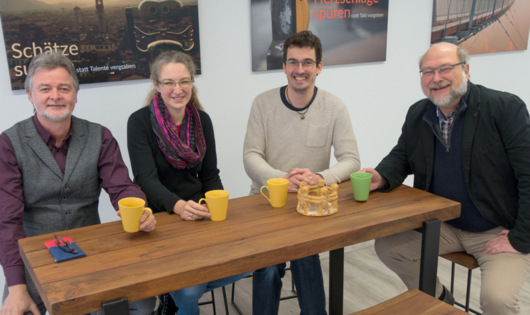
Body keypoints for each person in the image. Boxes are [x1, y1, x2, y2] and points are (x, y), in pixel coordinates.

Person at [360, 42, 530, 315]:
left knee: (498, 301)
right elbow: (402, 155)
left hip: (497, 230)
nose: (436, 78)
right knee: (389, 247)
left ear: (466, 70)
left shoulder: (504, 108)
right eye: (427, 71)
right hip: (443, 226)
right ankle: (440, 301)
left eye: (445, 69)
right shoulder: (419, 113)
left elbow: (528, 175)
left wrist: (521, 236)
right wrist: (380, 176)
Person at [0, 53, 157, 315]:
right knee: (17, 311)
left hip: (92, 250)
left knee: (141, 304)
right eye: (45, 89)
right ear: (30, 95)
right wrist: (16, 287)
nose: (55, 96)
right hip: (35, 256)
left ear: (75, 93)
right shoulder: (9, 144)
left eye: (64, 88)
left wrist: (140, 209)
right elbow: (8, 220)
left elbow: (121, 186)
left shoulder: (100, 136)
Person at [243, 30, 361, 315]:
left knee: (306, 260)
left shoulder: (334, 106)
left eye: (307, 62)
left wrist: (320, 177)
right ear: (283, 67)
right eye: (293, 62)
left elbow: (352, 160)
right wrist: (280, 179)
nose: (299, 70)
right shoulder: (262, 103)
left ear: (319, 67)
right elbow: (250, 156)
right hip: (267, 204)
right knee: (269, 267)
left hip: (310, 206)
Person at [127, 50, 250, 315]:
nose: (177, 89)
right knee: (190, 292)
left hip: (200, 216)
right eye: (169, 82)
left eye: (184, 81)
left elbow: (210, 175)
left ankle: (171, 300)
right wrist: (179, 206)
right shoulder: (139, 122)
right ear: (157, 86)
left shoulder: (202, 120)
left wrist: (217, 207)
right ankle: (175, 298)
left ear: (192, 83)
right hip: (161, 220)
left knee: (258, 261)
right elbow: (145, 179)